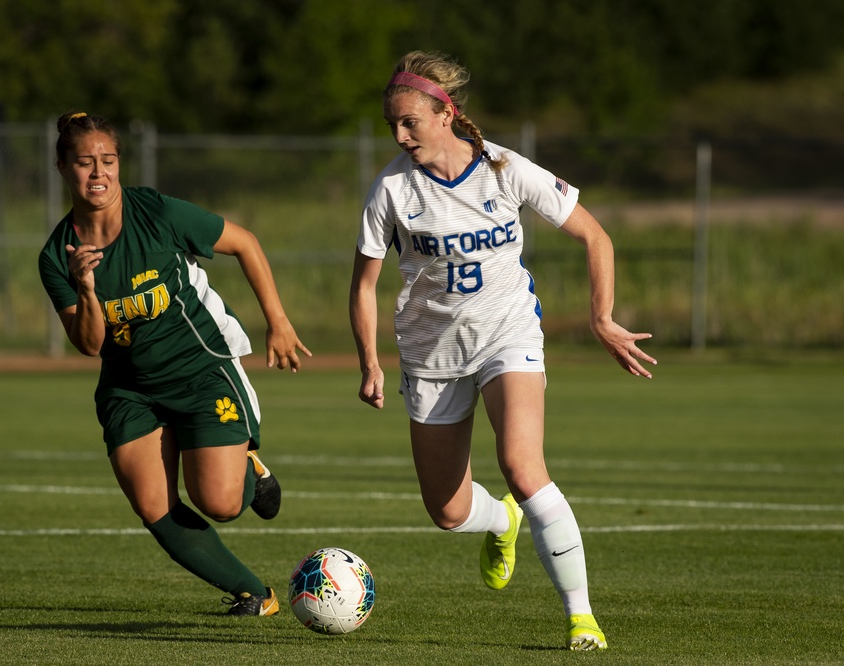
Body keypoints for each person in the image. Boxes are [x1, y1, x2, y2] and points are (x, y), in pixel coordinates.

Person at [349, 51, 657, 651]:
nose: (400, 134)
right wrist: (370, 362)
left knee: (522, 466)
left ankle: (581, 617)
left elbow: (595, 234)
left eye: (410, 121)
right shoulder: (390, 188)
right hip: (429, 353)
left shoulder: (504, 168)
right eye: (393, 124)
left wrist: (602, 317)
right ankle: (503, 520)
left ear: (446, 114)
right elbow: (363, 286)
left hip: (507, 335)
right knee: (447, 511)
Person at [38, 111, 311, 616]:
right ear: (61, 167)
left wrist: (278, 321)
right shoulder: (58, 254)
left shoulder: (156, 214)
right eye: (83, 163)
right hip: (129, 387)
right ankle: (257, 594)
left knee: (222, 503)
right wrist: (86, 287)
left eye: (108, 161)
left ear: (120, 163)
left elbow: (244, 243)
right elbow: (92, 345)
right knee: (153, 506)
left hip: (200, 369)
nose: (98, 174)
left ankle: (249, 467)